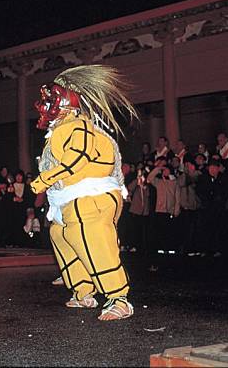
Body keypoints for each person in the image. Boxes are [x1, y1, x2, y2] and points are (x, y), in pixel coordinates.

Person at [30, 65, 137, 321]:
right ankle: (83, 291)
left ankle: (119, 298)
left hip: (91, 196)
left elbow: (78, 157)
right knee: (60, 233)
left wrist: (44, 179)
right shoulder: (62, 128)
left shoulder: (77, 126)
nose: (45, 105)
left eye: (51, 99)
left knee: (86, 233)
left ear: (66, 101)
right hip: (73, 197)